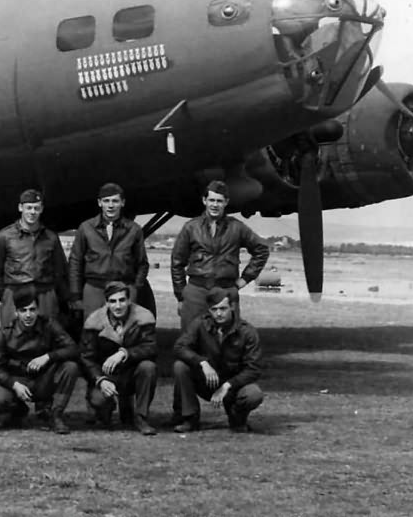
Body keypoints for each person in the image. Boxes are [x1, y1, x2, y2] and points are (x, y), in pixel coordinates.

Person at [170, 180, 270, 329]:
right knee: (190, 339)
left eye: (219, 201)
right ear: (204, 201)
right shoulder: (191, 227)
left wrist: (244, 279)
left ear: (226, 202)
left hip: (226, 291)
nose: (215, 205)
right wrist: (181, 295)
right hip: (196, 292)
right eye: (211, 200)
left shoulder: (237, 227)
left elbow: (262, 249)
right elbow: (177, 262)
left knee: (229, 341)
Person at [0, 286, 80, 434]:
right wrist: (14, 384)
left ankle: (55, 415)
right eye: (23, 310)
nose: (28, 315)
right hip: (18, 380)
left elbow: (73, 349)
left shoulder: (49, 325)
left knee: (70, 367)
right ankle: (17, 411)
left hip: (44, 379)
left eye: (32, 310)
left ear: (38, 310)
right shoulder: (4, 333)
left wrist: (48, 357)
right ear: (16, 312)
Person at [172, 287, 264, 433]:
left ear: (232, 307)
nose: (219, 313)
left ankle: (237, 418)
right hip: (207, 381)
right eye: (214, 309)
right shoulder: (200, 324)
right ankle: (189, 418)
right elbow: (179, 347)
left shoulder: (247, 332)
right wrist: (202, 362)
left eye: (223, 308)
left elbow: (254, 368)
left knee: (254, 394)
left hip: (232, 386)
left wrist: (228, 385)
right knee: (180, 367)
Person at [80, 281, 159, 435]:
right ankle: (106, 411)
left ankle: (141, 417)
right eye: (113, 301)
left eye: (122, 300)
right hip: (106, 375)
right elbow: (86, 357)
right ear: (106, 303)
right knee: (98, 401)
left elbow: (151, 347)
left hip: (132, 372)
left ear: (129, 300)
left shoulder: (144, 317)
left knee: (148, 367)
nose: (118, 306)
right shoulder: (94, 321)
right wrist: (100, 380)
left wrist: (124, 353)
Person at [68, 183, 156, 321]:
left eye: (115, 201)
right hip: (94, 288)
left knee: (123, 334)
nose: (110, 205)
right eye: (106, 201)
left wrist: (134, 290)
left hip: (123, 288)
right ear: (99, 203)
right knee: (92, 332)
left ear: (122, 203)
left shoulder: (134, 230)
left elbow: (142, 263)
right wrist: (75, 294)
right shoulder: (86, 228)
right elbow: (75, 262)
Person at [0, 189, 69, 326]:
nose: (32, 212)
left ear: (42, 209)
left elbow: (60, 270)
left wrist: (54, 295)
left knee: (47, 336)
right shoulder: (4, 236)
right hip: (14, 292)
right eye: (29, 208)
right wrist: (6, 296)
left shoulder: (51, 237)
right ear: (20, 208)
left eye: (36, 208)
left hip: (45, 294)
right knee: (12, 337)